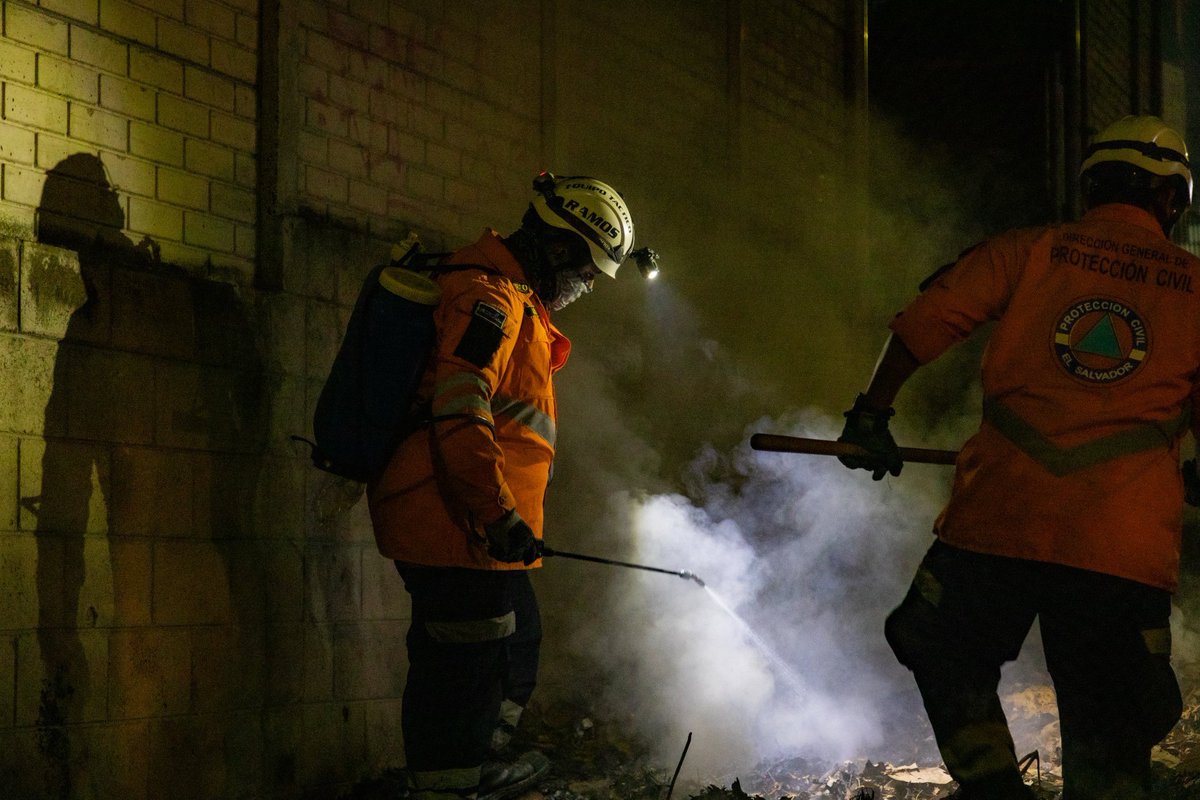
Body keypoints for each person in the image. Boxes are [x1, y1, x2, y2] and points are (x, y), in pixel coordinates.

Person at [837, 115, 1195, 800]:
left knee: (937, 641)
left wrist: (869, 416)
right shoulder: (1196, 286)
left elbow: (923, 324)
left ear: (1092, 185)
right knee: (1113, 721)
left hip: (1002, 517)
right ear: (1173, 202)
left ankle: (994, 789)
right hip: (1120, 545)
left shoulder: (1030, 250)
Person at [368, 173, 639, 800]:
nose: (587, 287)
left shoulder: (514, 301)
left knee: (518, 642)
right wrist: (493, 513)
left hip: (477, 526)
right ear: (564, 249)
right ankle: (449, 784)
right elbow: (462, 410)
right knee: (462, 666)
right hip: (454, 521)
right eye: (591, 272)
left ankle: (479, 762)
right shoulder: (488, 300)